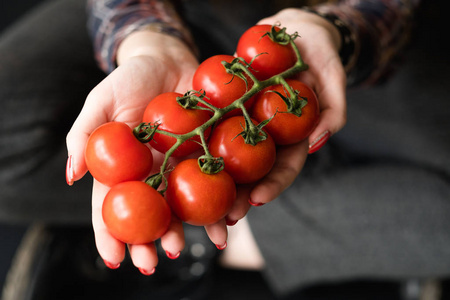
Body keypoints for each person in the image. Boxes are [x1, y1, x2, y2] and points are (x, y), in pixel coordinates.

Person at [1, 0, 450, 299]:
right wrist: (144, 37)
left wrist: (340, 29)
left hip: (345, 45)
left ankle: (223, 236)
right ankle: (255, 225)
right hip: (188, 13)